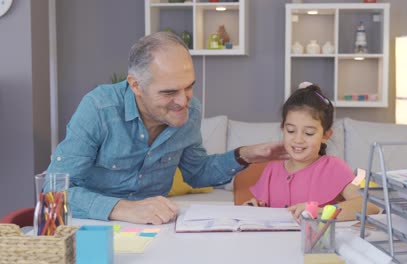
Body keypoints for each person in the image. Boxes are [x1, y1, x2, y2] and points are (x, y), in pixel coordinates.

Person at [46, 32, 288, 225]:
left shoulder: (190, 112)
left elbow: (198, 172)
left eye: (189, 87)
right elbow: (53, 192)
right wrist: (125, 209)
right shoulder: (99, 108)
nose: (183, 102)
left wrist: (244, 155)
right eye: (169, 92)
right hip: (92, 226)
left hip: (154, 229)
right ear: (136, 85)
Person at [244, 83, 379, 221]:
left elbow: (369, 205)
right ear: (282, 129)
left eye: (309, 133)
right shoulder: (272, 169)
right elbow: (259, 207)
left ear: (325, 135)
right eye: (291, 131)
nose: (298, 139)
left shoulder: (334, 168)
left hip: (315, 242)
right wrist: (252, 206)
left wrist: (321, 213)